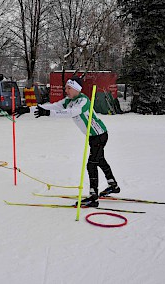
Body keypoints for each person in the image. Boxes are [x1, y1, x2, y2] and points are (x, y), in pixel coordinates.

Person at [15, 77, 119, 207]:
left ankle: (93, 197)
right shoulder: (68, 101)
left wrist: (48, 113)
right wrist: (28, 109)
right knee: (100, 160)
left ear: (76, 89)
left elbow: (72, 112)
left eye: (69, 88)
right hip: (92, 137)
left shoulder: (83, 101)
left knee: (91, 164)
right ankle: (113, 185)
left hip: (99, 135)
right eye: (66, 88)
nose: (66, 90)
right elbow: (52, 106)